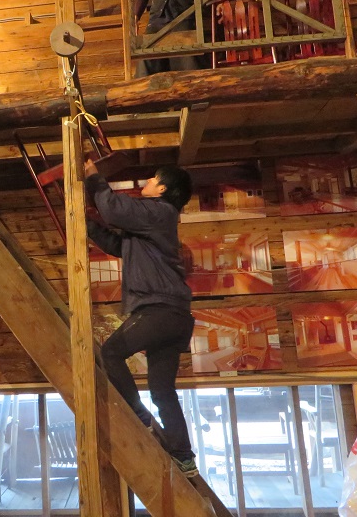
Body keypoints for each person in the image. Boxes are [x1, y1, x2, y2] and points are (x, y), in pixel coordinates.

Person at [84, 160, 198, 476]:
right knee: (162, 390)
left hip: (160, 311)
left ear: (163, 189)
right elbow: (119, 245)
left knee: (111, 352)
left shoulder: (160, 211)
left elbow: (113, 210)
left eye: (153, 178)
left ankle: (139, 415)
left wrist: (93, 177)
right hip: (175, 317)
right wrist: (87, 226)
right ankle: (184, 457)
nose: (147, 180)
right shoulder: (154, 224)